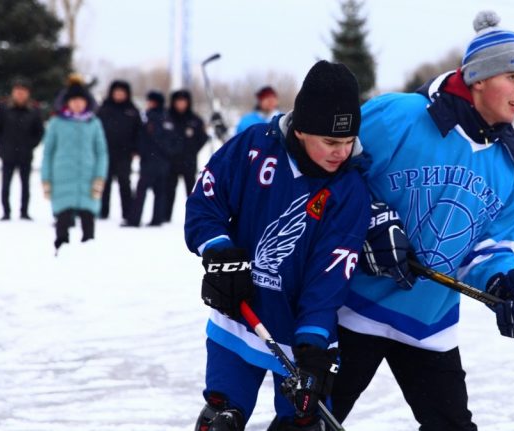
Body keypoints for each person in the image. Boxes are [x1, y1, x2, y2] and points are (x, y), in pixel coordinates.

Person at [330, 12, 514, 430]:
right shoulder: (400, 116)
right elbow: (333, 170)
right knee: (310, 421)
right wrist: (368, 219)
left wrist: (507, 284)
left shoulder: (513, 165)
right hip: (351, 306)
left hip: (427, 321)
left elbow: (491, 248)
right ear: (479, 78)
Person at [185, 61, 370, 431]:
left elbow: (329, 277)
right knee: (222, 419)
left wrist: (314, 343)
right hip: (239, 317)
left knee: (301, 424)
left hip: (297, 334)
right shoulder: (253, 147)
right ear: (301, 130)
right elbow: (206, 202)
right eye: (331, 142)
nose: (341, 152)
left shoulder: (349, 192)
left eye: (349, 142)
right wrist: (219, 252)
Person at [41, 81, 108, 252]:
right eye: (74, 100)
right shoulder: (56, 123)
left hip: (88, 178)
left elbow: (101, 153)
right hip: (62, 178)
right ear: (67, 102)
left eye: (81, 100)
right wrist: (46, 179)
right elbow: (48, 153)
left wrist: (99, 177)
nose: (77, 104)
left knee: (88, 218)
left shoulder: (94, 123)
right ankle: (60, 251)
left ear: (86, 102)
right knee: (62, 219)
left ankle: (88, 252)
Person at [0, 78, 44, 221]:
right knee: (6, 185)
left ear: (28, 93)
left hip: (25, 154)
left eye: (23, 91)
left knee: (25, 185)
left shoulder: (34, 110)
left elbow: (39, 131)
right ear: (13, 92)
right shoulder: (3, 108)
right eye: (17, 91)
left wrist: (31, 144)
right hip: (7, 153)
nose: (20, 94)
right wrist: (2, 144)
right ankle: (6, 212)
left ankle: (24, 211)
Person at [124, 91, 178, 227]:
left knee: (141, 190)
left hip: (150, 161)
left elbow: (148, 139)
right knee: (160, 191)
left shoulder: (150, 118)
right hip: (163, 162)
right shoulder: (168, 118)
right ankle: (157, 219)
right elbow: (173, 140)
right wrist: (168, 154)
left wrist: (141, 151)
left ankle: (134, 220)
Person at [96, 80, 142, 221]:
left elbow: (139, 132)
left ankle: (127, 212)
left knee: (125, 183)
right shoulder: (103, 109)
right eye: (116, 92)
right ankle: (103, 211)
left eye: (122, 92)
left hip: (125, 153)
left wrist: (135, 149)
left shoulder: (133, 111)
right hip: (105, 152)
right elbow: (96, 131)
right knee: (105, 182)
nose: (119, 95)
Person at [165, 89, 208, 222]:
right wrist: (170, 150)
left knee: (192, 191)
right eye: (178, 101)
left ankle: (194, 217)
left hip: (188, 161)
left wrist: (192, 149)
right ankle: (165, 216)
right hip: (170, 161)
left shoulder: (195, 120)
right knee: (168, 190)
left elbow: (203, 138)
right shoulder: (166, 117)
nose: (181, 104)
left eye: (183, 101)